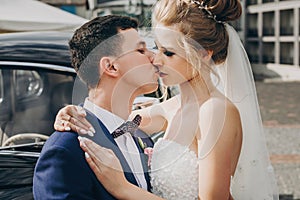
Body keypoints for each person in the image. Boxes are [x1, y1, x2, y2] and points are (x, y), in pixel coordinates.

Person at [55, 0, 278, 199]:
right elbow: (116, 126)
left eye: (169, 53)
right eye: (157, 48)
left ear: (203, 53)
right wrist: (72, 113)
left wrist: (124, 189)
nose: (156, 59)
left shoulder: (214, 111)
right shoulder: (167, 109)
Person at [33, 15, 161, 199]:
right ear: (111, 66)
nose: (154, 57)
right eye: (141, 50)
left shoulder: (140, 135)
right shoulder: (65, 150)